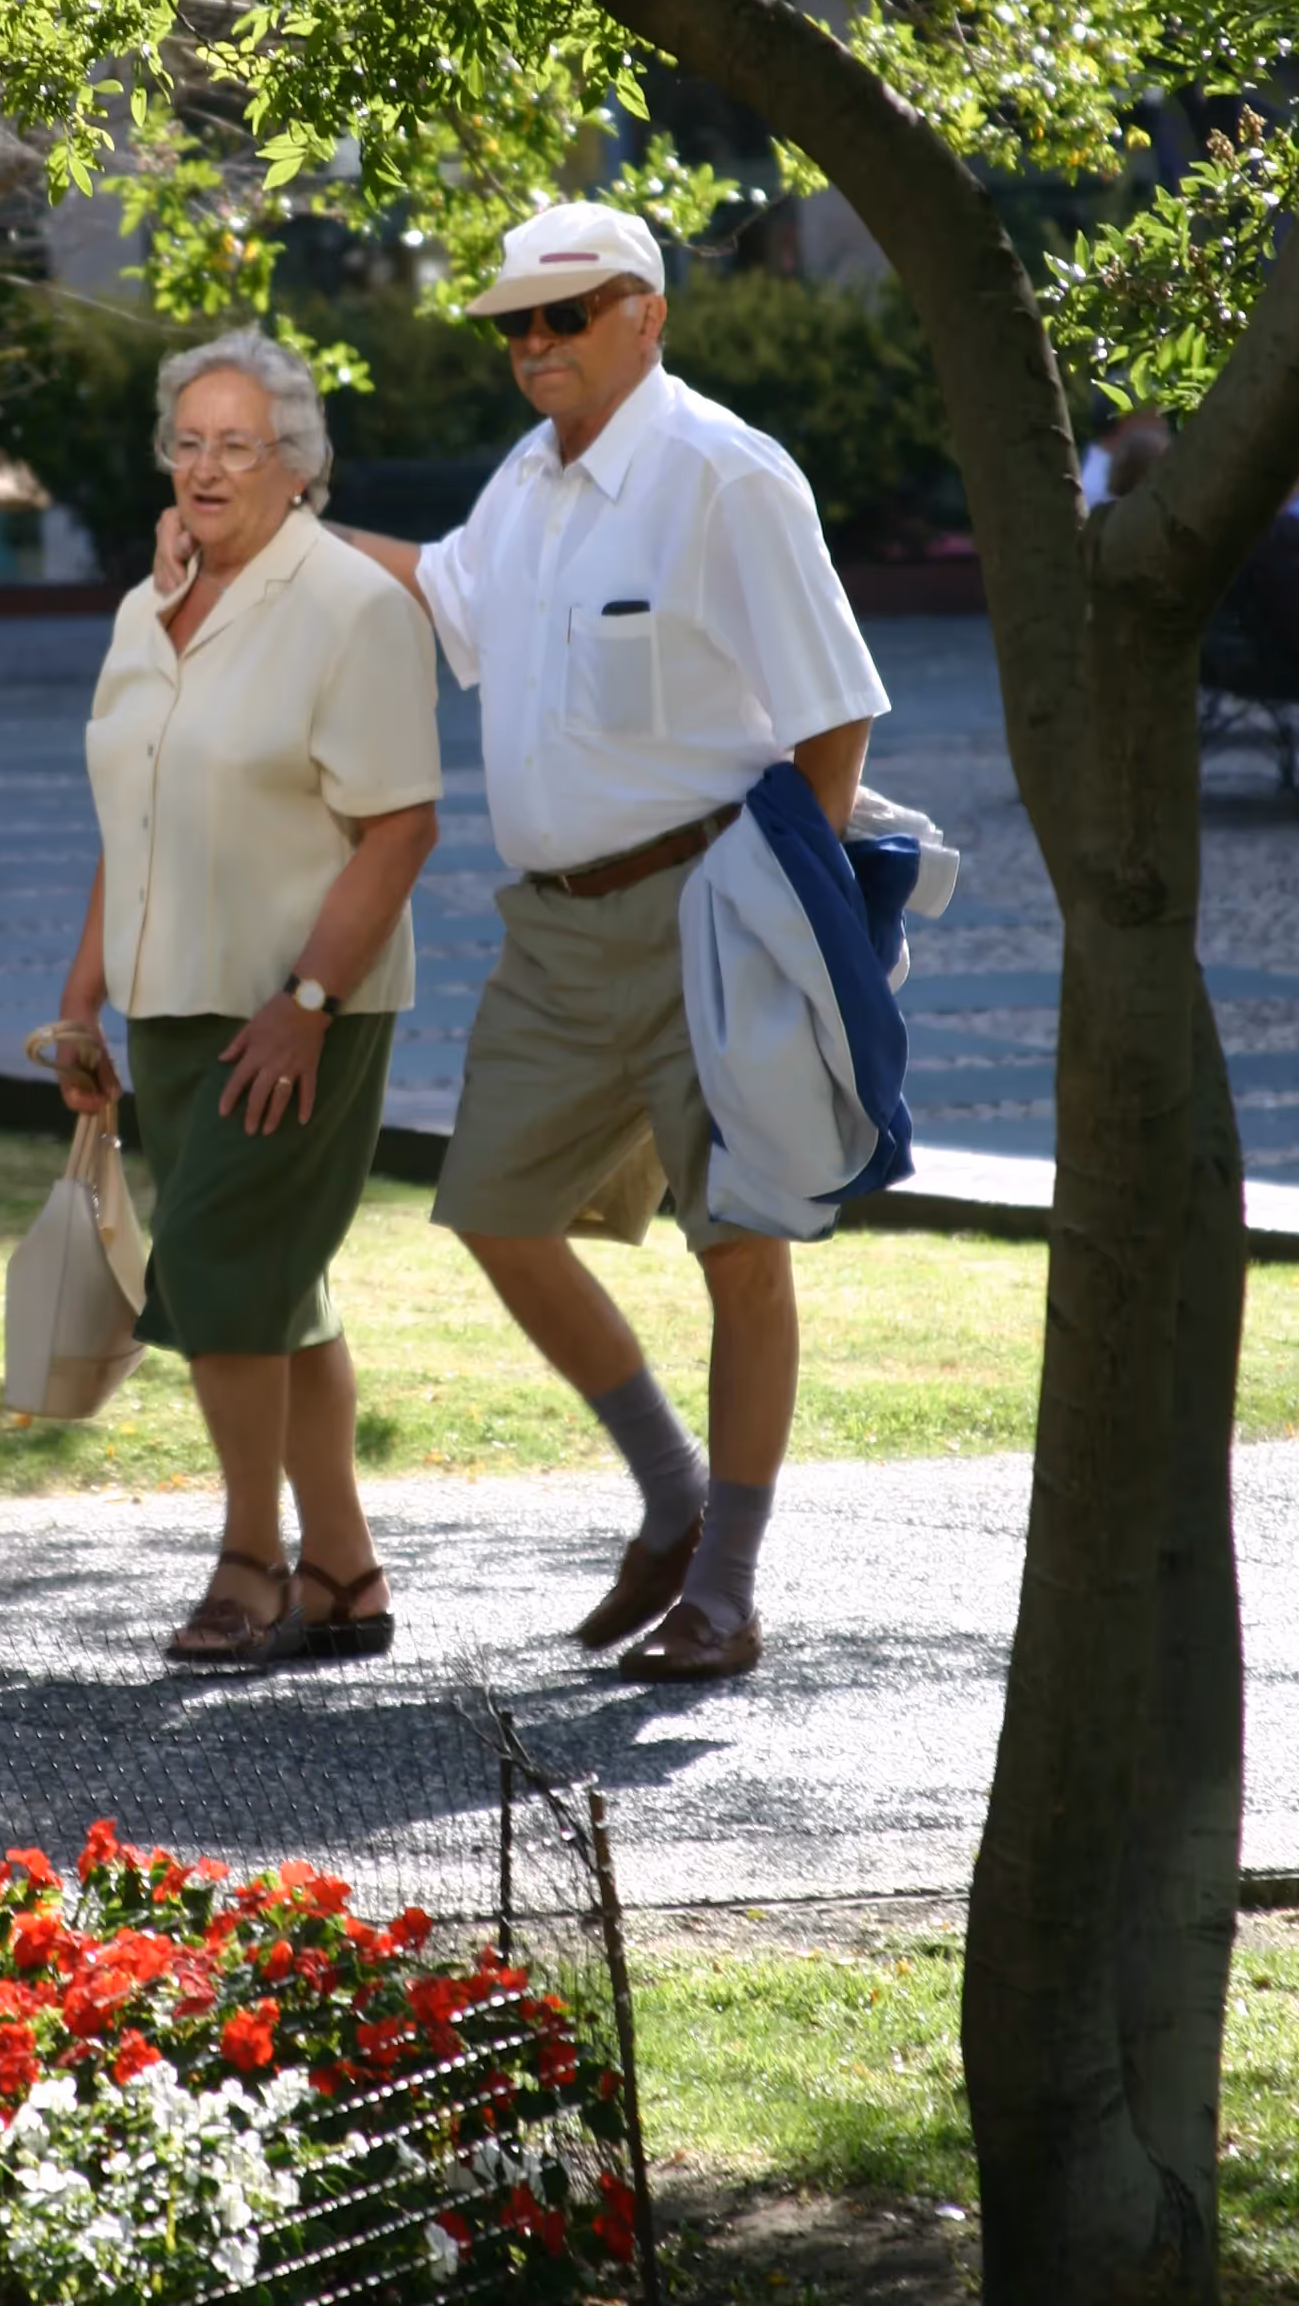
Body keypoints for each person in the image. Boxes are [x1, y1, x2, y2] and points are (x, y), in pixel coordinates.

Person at [163, 204, 886, 1683]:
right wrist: (269, 531)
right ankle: (675, 1495)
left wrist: (783, 921)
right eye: (516, 323)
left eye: (568, 314)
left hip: (710, 908)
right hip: (553, 930)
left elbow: (835, 715)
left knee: (742, 1248)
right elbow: (443, 597)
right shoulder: (530, 476)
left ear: (648, 315)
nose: (535, 343)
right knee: (493, 1206)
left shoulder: (728, 476)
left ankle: (726, 1590)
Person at [53, 326, 441, 1669]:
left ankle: (249, 1566)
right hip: (170, 1007)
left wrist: (308, 1001)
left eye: (239, 444)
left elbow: (403, 826)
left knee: (217, 1277)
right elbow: (135, 816)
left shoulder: (352, 609)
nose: (207, 467)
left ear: (299, 464)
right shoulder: (147, 609)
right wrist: (83, 999)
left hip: (296, 1009)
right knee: (279, 1286)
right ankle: (344, 1571)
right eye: (189, 442)